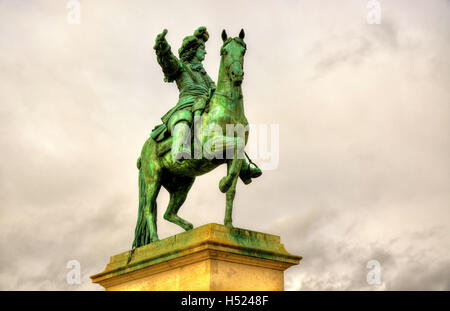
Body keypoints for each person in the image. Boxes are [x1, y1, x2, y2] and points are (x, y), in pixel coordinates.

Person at [151, 27, 261, 182]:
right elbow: (169, 62)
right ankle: (179, 149)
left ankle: (242, 165)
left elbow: (214, 88)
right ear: (193, 51)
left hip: (206, 103)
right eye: (202, 49)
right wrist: (163, 48)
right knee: (183, 118)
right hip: (187, 105)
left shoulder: (203, 73)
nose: (205, 52)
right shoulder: (182, 68)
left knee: (225, 121)